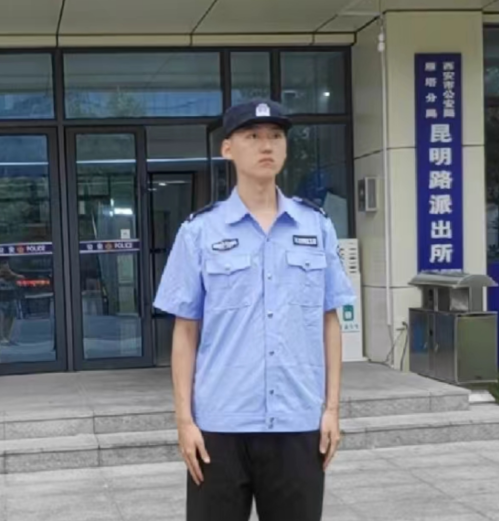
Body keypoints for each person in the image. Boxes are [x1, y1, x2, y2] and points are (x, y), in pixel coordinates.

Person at [153, 99, 355, 521]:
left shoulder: (315, 227)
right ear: (227, 149)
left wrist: (332, 410)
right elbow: (185, 331)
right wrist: (184, 421)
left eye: (276, 136)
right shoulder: (199, 232)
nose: (267, 145)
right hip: (219, 426)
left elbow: (328, 321)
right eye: (253, 136)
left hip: (298, 422)